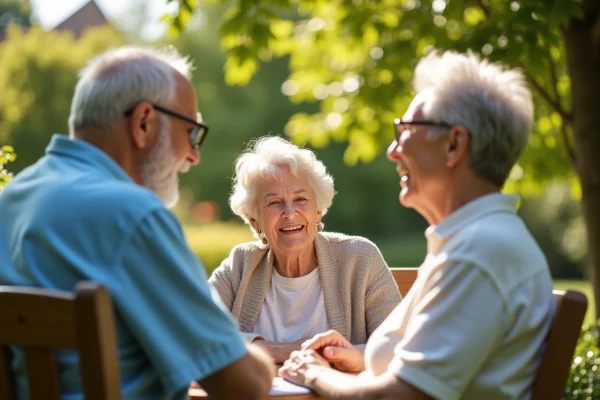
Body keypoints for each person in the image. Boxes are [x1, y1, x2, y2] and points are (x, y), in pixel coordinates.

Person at [278, 50, 555, 400]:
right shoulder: (470, 243)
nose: (393, 150)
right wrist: (360, 358)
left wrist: (315, 374)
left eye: (406, 130)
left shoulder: (478, 253)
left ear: (454, 144)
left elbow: (397, 398)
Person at [0, 46, 274, 399]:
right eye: (191, 133)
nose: (193, 155)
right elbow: (244, 387)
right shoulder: (133, 215)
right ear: (144, 122)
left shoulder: (10, 201)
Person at [209, 136, 402, 362]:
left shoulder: (360, 258)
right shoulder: (240, 265)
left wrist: (347, 356)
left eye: (300, 199)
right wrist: (284, 350)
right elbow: (192, 329)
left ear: (318, 210)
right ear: (254, 220)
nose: (289, 212)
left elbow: (398, 345)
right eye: (274, 202)